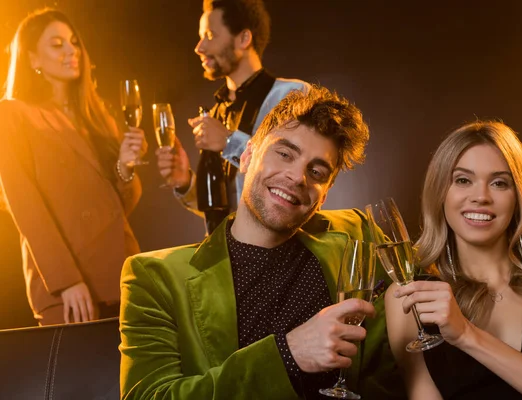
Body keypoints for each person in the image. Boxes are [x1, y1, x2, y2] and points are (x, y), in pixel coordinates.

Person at [120, 86, 402, 399]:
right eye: (284, 154)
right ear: (248, 155)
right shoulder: (153, 277)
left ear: (325, 194)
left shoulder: (357, 233)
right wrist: (288, 355)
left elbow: (433, 267)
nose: (298, 177)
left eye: (317, 171)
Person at [385, 121, 522, 399]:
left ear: (518, 197)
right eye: (463, 180)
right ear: (440, 192)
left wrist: (466, 336)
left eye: (499, 183)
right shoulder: (408, 297)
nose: (481, 197)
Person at [0, 8, 146, 325]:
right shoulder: (13, 114)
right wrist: (66, 281)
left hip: (123, 278)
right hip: (68, 288)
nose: (71, 51)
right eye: (57, 44)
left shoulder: (98, 118)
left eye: (74, 42)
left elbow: (119, 209)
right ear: (32, 59)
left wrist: (125, 165)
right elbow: (25, 205)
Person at [156, 0, 310, 234]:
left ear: (243, 39)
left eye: (209, 35)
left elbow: (293, 183)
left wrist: (229, 142)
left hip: (276, 261)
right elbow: (227, 207)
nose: (199, 47)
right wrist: (185, 181)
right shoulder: (218, 111)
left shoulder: (292, 95)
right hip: (224, 261)